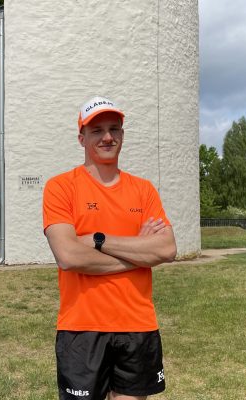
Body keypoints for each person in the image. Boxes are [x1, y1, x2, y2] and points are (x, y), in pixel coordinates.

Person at [43, 96, 177, 400]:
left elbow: (167, 249)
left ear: (122, 135)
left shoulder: (143, 190)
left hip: (137, 324)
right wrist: (140, 254)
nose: (107, 137)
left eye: (114, 129)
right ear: (82, 138)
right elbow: (68, 256)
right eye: (97, 130)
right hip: (81, 327)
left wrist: (97, 240)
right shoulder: (61, 187)